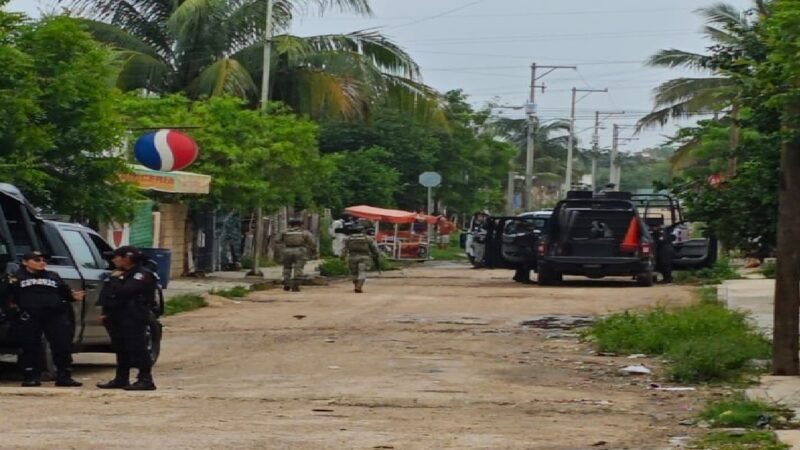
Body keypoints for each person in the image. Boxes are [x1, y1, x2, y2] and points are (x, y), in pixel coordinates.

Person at [3, 251, 85, 387]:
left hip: (55, 316)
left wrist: (73, 296)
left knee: (62, 345)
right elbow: (6, 297)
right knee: (30, 347)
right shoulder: (15, 278)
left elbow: (65, 293)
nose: (41, 262)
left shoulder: (53, 276)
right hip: (29, 316)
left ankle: (64, 376)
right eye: (37, 260)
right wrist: (12, 312)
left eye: (43, 260)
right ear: (25, 262)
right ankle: (31, 377)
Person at [96, 246, 159, 391]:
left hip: (134, 315)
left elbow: (126, 291)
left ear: (127, 258)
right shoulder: (119, 273)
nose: (113, 260)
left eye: (116, 257)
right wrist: (105, 312)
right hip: (116, 315)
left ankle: (145, 379)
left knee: (138, 347)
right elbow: (108, 294)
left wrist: (115, 279)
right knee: (120, 348)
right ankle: (121, 378)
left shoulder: (141, 275)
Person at [277, 218, 316, 292]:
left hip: (287, 250)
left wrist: (282, 248)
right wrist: (313, 251)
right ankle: (296, 285)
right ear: (301, 225)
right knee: (298, 268)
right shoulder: (304, 232)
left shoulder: (284, 232)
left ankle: (286, 283)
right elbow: (312, 242)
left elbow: (277, 240)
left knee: (287, 267)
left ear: (290, 225)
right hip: (300, 250)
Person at [342, 224, 381, 293]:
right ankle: (359, 286)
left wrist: (343, 256)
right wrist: (376, 255)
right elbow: (374, 248)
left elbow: (344, 249)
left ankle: (356, 286)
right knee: (362, 272)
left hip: (352, 257)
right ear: (362, 231)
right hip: (364, 257)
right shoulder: (367, 238)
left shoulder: (348, 238)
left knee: (354, 273)